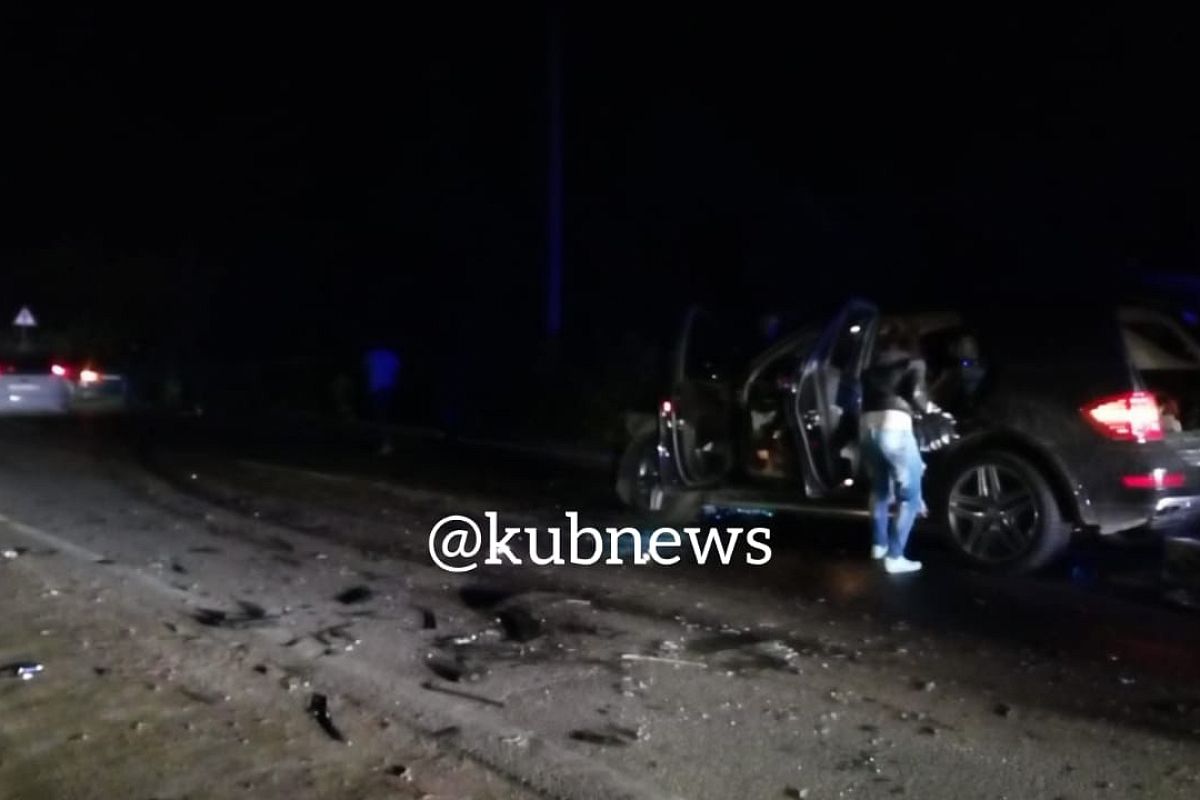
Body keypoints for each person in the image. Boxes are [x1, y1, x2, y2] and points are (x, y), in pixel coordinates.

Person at [860, 321, 930, 574]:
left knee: (879, 489)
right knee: (910, 497)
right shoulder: (913, 363)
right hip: (895, 428)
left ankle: (878, 545)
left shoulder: (869, 369)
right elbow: (917, 396)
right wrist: (932, 412)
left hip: (867, 430)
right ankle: (895, 556)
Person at [363, 344, 402, 454]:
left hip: (378, 389)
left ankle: (385, 443)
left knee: (380, 416)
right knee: (381, 416)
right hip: (386, 388)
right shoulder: (391, 355)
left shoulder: (372, 354)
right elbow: (397, 371)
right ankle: (382, 442)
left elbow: (366, 370)